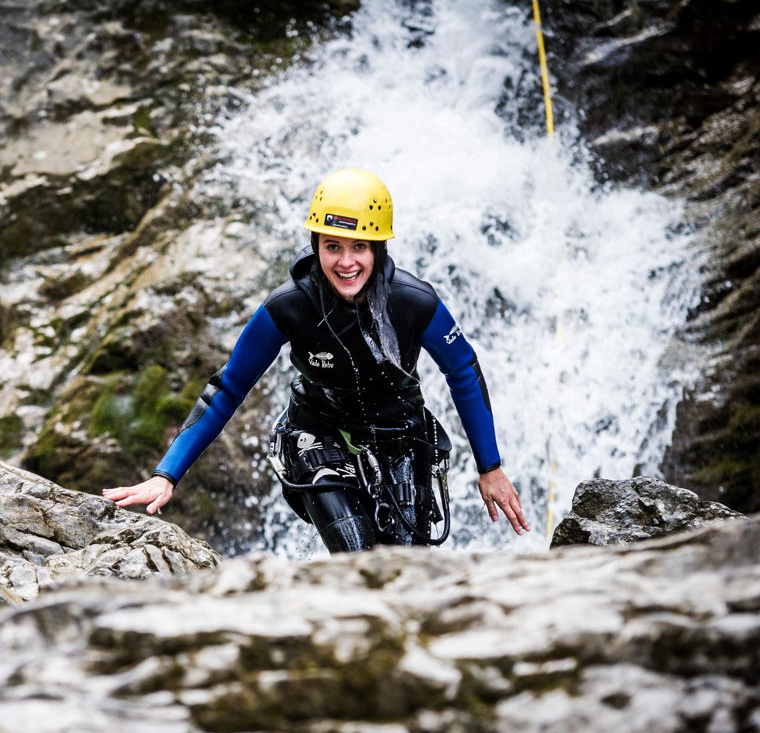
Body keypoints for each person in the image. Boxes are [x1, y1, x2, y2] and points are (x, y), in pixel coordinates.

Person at [102, 169, 529, 552]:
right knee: (359, 558)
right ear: (316, 246)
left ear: (378, 248)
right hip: (317, 437)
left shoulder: (414, 302)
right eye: (332, 247)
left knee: (408, 569)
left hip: (402, 436)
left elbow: (463, 371)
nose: (346, 262)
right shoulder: (288, 307)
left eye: (359, 247)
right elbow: (228, 387)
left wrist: (489, 467)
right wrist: (167, 474)